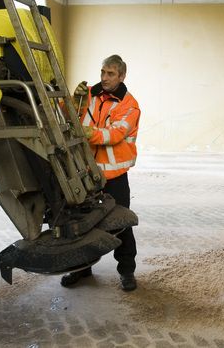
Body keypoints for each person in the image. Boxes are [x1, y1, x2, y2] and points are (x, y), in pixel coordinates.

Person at [61, 54, 141, 292]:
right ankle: (81, 269)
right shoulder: (90, 95)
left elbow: (113, 134)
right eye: (103, 72)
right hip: (85, 173)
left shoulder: (129, 105)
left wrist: (87, 132)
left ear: (122, 76)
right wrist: (71, 102)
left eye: (111, 74)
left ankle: (126, 271)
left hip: (114, 177)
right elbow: (69, 117)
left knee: (121, 225)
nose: (105, 78)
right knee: (81, 224)